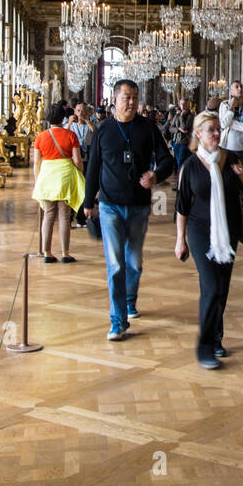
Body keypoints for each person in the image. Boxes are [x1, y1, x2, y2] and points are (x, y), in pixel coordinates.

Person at [82, 78, 177, 340]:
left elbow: (168, 160)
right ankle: (117, 321)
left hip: (138, 206)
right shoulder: (103, 129)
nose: (132, 101)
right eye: (126, 97)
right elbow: (92, 168)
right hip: (110, 205)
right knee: (115, 265)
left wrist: (156, 176)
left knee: (133, 263)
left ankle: (130, 299)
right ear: (115, 99)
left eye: (135, 97)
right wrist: (88, 202)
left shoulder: (148, 128)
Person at [175, 111, 243, 369]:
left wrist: (242, 177)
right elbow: (182, 206)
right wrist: (180, 240)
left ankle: (217, 337)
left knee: (223, 288)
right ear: (198, 134)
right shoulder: (191, 165)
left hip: (228, 230)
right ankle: (204, 346)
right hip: (200, 231)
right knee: (211, 287)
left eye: (218, 129)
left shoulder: (230, 158)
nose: (216, 134)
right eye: (210, 130)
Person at [32, 104, 84, 263]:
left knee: (48, 215)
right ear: (63, 117)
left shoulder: (40, 137)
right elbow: (77, 161)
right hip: (65, 177)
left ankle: (47, 252)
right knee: (64, 216)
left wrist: (37, 181)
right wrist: (80, 172)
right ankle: (65, 253)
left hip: (47, 176)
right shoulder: (71, 135)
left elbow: (36, 163)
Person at [218, 81, 243, 176]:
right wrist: (231, 108)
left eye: (241, 87)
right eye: (237, 87)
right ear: (231, 92)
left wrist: (230, 124)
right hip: (227, 147)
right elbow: (223, 125)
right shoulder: (224, 105)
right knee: (227, 176)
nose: (240, 88)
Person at [168, 97, 194, 175]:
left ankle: (180, 184)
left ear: (188, 105)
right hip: (176, 142)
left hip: (185, 142)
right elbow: (170, 128)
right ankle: (180, 183)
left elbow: (185, 128)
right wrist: (178, 129)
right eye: (181, 104)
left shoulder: (190, 116)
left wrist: (182, 117)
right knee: (178, 162)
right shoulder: (177, 115)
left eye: (184, 104)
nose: (182, 105)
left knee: (181, 163)